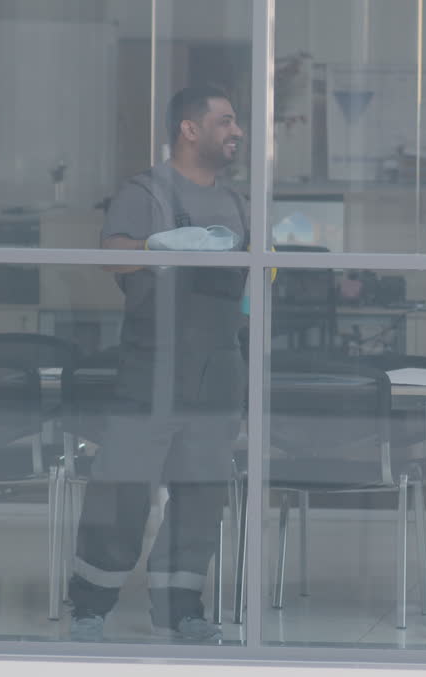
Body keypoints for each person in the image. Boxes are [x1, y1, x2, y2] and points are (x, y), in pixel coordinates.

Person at [68, 86, 249, 642]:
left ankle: (181, 608)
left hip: (218, 368)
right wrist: (152, 249)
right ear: (189, 129)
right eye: (225, 122)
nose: (236, 131)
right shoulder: (144, 191)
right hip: (153, 365)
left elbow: (254, 278)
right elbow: (110, 257)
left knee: (200, 493)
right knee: (121, 486)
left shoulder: (240, 203)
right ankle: (90, 606)